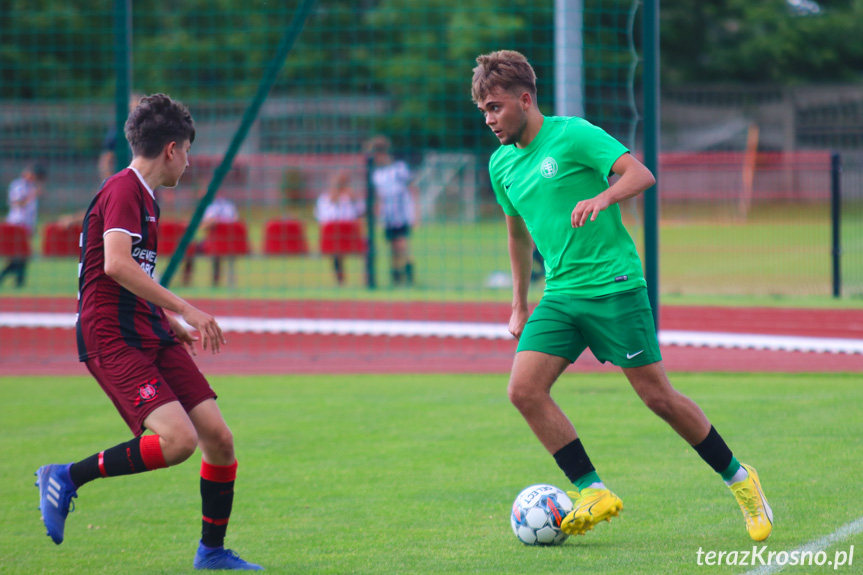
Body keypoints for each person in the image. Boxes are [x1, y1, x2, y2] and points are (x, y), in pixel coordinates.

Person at [471, 50, 772, 542]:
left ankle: (741, 479)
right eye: (483, 110)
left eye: (496, 107)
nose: (489, 119)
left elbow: (640, 174)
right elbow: (516, 235)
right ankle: (592, 489)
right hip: (562, 293)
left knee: (658, 398)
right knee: (523, 390)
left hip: (614, 286)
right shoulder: (501, 164)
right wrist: (520, 303)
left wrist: (603, 196)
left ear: (525, 100)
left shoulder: (572, 134)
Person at [34, 94, 262, 570]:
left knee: (218, 439)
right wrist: (187, 308)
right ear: (172, 149)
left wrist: (169, 322)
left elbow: (131, 273)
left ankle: (212, 553)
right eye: (189, 152)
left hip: (147, 329)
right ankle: (65, 476)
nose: (189, 162)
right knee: (179, 441)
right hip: (111, 337)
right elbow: (116, 265)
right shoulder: (123, 190)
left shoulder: (145, 196)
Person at [366, 135, 417, 287]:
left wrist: (415, 212)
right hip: (388, 217)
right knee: (393, 248)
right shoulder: (376, 174)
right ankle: (396, 278)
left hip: (402, 215)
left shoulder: (399, 168)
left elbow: (413, 189)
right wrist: (377, 214)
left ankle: (409, 276)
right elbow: (377, 198)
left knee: (402, 245)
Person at [315, 169, 365, 285]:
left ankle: (366, 279)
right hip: (334, 238)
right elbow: (323, 218)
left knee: (368, 246)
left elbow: (361, 212)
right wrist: (334, 199)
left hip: (350, 236)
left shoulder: (352, 198)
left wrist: (353, 199)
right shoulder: (324, 199)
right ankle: (340, 280)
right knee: (336, 249)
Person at [0, 162, 46, 287]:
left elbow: (32, 210)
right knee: (18, 255)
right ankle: (9, 278)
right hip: (17, 224)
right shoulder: (18, 185)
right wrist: (33, 195)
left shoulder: (31, 187)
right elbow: (16, 203)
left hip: (27, 225)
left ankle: (19, 282)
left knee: (23, 255)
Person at [181, 190, 240, 288]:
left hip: (215, 244)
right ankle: (216, 282)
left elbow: (209, 222)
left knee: (191, 249)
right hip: (232, 243)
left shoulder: (211, 207)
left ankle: (186, 281)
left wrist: (195, 225)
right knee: (214, 250)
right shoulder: (230, 206)